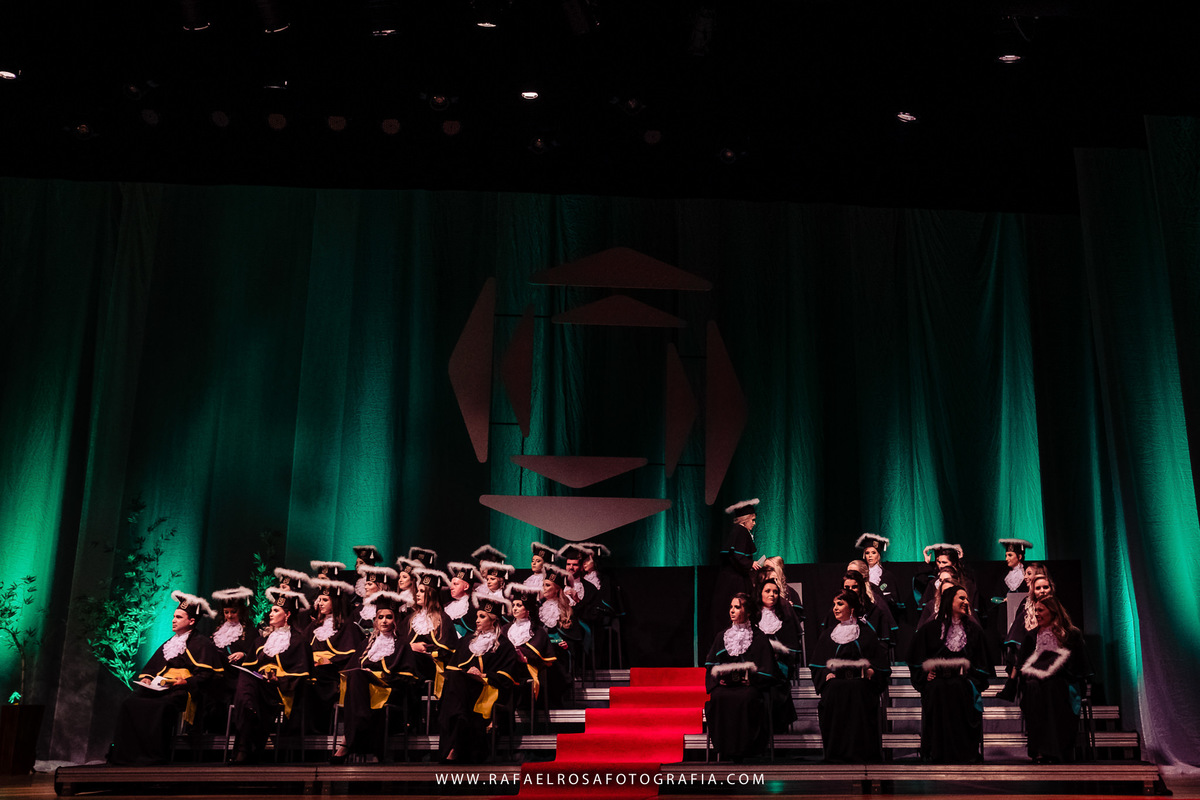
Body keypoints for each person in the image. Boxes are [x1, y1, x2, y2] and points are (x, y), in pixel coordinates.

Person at [108, 592, 222, 765]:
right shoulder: (170, 643)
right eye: (174, 616)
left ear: (191, 621)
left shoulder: (202, 643)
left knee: (160, 707)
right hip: (160, 686)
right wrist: (147, 679)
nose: (173, 620)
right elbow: (152, 667)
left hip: (183, 691)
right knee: (130, 702)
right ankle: (125, 755)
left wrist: (185, 682)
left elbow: (207, 675)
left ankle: (152, 756)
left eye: (179, 617)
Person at [907, 584, 991, 763]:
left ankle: (965, 753)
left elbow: (982, 663)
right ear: (949, 601)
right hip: (937, 684)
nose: (966, 602)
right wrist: (925, 675)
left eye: (967, 598)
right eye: (961, 598)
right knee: (937, 692)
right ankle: (936, 753)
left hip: (963, 684)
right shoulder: (930, 629)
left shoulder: (973, 630)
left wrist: (972, 679)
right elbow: (916, 657)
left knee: (960, 691)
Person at [332, 591, 418, 763]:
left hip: (389, 688)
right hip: (364, 689)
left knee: (358, 677)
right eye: (380, 617)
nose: (384, 621)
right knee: (356, 675)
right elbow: (352, 667)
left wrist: (378, 676)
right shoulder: (366, 644)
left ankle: (347, 740)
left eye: (388, 617)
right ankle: (360, 725)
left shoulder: (402, 645)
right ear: (375, 621)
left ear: (395, 620)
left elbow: (407, 677)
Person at [230, 587, 313, 763]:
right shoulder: (260, 641)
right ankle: (250, 711)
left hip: (281, 689)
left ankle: (244, 746)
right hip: (259, 687)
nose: (270, 614)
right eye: (271, 610)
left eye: (276, 611)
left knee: (246, 693)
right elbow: (250, 666)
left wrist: (278, 679)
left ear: (287, 614)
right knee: (246, 678)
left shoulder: (299, 641)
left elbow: (302, 674)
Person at [437, 596, 523, 763]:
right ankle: (455, 741)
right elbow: (454, 666)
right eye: (477, 616)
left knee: (456, 693)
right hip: (464, 688)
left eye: (482, 617)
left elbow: (507, 676)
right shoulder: (466, 641)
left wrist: (483, 675)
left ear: (493, 620)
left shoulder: (504, 645)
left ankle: (455, 747)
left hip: (487, 688)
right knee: (455, 680)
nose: (477, 620)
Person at [810, 589, 890, 763]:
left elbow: (880, 664)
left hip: (860, 686)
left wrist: (871, 671)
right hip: (836, 686)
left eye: (840, 604)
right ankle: (836, 754)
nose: (835, 608)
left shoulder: (866, 633)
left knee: (859, 692)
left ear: (852, 608)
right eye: (834, 604)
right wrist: (826, 674)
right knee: (832, 693)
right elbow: (818, 665)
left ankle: (862, 753)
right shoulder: (828, 634)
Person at [704, 592, 781, 761]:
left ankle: (746, 749)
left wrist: (751, 679)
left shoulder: (759, 638)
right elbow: (711, 665)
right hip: (726, 687)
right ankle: (725, 748)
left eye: (737, 607)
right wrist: (718, 679)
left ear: (748, 612)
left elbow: (768, 669)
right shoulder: (721, 636)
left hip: (750, 687)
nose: (732, 611)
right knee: (717, 696)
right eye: (731, 607)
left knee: (747, 698)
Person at [1015, 596, 1091, 763]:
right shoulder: (1031, 636)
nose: (1037, 614)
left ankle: (1055, 751)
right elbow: (1022, 665)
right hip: (1036, 684)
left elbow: (1079, 667)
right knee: (1033, 688)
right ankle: (1039, 750)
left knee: (1052, 687)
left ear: (1053, 611)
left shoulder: (1071, 634)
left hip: (1063, 682)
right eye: (1035, 610)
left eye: (1041, 610)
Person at [304, 576, 364, 735]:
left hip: (332, 673)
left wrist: (330, 660)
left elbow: (352, 654)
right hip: (313, 669)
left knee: (317, 678)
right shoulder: (313, 626)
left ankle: (318, 728)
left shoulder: (347, 626)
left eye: (325, 600)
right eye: (320, 599)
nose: (320, 603)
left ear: (335, 602)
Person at [504, 582, 565, 708]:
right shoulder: (505, 629)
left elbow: (539, 656)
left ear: (527, 610)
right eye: (513, 605)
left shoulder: (537, 631)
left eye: (519, 605)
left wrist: (523, 656)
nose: (514, 608)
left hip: (528, 668)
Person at [401, 569, 458, 700]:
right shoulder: (410, 619)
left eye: (422, 591)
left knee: (411, 659)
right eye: (418, 591)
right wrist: (411, 647)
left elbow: (448, 650)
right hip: (411, 661)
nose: (417, 594)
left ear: (431, 594)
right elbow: (399, 642)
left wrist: (428, 651)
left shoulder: (443, 619)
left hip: (432, 664)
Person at [753, 577, 799, 732]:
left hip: (779, 666)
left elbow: (792, 646)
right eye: (768, 591)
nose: (772, 595)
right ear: (760, 593)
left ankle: (779, 730)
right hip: (757, 667)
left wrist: (778, 656)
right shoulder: (753, 617)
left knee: (776, 686)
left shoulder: (785, 617)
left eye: (775, 592)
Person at [712, 499, 762, 630]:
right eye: (752, 520)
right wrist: (750, 564)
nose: (754, 523)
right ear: (745, 519)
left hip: (730, 578)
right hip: (735, 580)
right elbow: (737, 555)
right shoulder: (741, 531)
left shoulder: (737, 531)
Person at [1003, 569, 1054, 676]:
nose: (1042, 591)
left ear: (1051, 589)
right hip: (1029, 665)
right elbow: (1017, 648)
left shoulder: (1059, 611)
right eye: (1038, 588)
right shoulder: (1025, 610)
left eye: (1045, 587)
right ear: (1033, 590)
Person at [856, 533, 902, 617]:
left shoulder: (887, 576)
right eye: (867, 553)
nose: (870, 556)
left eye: (873, 553)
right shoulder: (861, 574)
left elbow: (893, 599)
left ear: (878, 555)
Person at [356, 565, 400, 633]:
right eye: (365, 584)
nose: (366, 587)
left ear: (380, 587)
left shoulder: (390, 607)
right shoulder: (361, 609)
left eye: (369, 584)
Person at [444, 562, 480, 638]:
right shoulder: (447, 605)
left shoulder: (472, 607)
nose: (451, 587)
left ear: (466, 587)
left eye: (456, 584)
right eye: (452, 584)